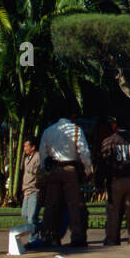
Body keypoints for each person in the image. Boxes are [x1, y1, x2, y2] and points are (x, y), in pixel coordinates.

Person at [40, 106, 94, 248]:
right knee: (74, 205)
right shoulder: (76, 130)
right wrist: (88, 169)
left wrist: (45, 169)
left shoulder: (49, 131)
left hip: (54, 169)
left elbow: (43, 154)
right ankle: (77, 236)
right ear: (72, 115)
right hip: (71, 169)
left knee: (51, 204)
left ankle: (49, 235)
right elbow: (84, 152)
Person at [100, 116, 130, 247]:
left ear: (115, 126)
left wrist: (103, 178)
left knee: (113, 212)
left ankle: (112, 239)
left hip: (115, 180)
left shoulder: (110, 141)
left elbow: (104, 160)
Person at [21, 137, 43, 248]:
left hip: (34, 190)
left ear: (33, 147)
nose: (24, 148)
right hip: (26, 190)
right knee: (25, 214)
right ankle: (43, 226)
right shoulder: (26, 159)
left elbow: (37, 173)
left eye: (26, 146)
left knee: (31, 217)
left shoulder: (37, 157)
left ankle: (33, 239)